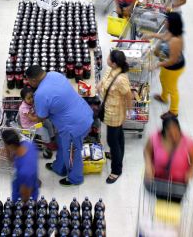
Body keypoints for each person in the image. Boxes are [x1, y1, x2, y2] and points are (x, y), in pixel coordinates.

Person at [24, 65, 94, 186]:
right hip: (83, 112)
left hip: (74, 127)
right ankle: (59, 167)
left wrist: (31, 118)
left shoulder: (40, 94)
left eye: (28, 80)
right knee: (62, 144)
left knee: (72, 153)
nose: (27, 82)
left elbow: (41, 117)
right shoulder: (54, 74)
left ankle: (75, 178)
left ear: (34, 80)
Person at [143, 116, 193, 201]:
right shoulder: (155, 139)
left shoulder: (188, 142)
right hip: (159, 181)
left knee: (175, 203)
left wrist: (191, 171)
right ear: (164, 131)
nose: (173, 136)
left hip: (179, 183)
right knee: (161, 202)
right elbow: (147, 151)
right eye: (170, 133)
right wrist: (148, 165)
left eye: (176, 132)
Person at [99, 50, 133, 184]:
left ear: (114, 63)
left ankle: (116, 170)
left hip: (115, 112)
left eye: (109, 58)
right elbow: (105, 79)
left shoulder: (121, 78)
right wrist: (99, 85)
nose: (107, 58)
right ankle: (116, 156)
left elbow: (128, 95)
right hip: (109, 109)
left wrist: (130, 110)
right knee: (118, 136)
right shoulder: (111, 69)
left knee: (112, 141)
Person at [2, 129, 40, 202]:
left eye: (4, 144)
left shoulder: (24, 171)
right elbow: (12, 159)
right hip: (30, 183)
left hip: (23, 198)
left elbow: (25, 197)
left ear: (10, 145)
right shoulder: (28, 145)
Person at [19, 86, 56, 156]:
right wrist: (42, 116)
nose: (31, 99)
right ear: (23, 99)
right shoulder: (24, 108)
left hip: (36, 120)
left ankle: (52, 137)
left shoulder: (31, 102)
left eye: (32, 97)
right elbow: (32, 118)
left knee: (48, 123)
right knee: (44, 131)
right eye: (28, 98)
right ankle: (48, 144)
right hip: (29, 126)